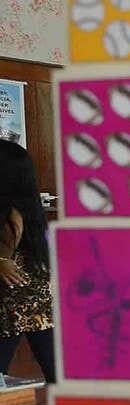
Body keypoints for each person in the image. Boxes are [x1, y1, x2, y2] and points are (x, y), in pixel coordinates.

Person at [0, 141, 55, 385]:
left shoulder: (11, 215)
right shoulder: (28, 209)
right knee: (53, 365)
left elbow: (4, 259)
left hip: (14, 304)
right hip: (39, 301)